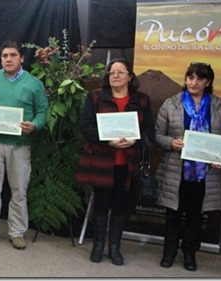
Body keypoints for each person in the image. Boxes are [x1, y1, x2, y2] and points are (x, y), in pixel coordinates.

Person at [75, 58, 155, 266]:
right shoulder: (95, 98)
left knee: (121, 207)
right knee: (101, 205)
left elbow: (149, 132)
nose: (116, 76)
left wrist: (135, 140)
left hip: (128, 164)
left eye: (120, 72)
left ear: (130, 76)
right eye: (111, 73)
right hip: (102, 162)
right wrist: (107, 139)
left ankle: (115, 248)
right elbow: (85, 126)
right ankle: (98, 246)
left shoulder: (142, 100)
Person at [155, 62, 221, 271]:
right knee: (173, 213)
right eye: (190, 78)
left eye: (199, 79)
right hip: (175, 170)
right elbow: (158, 135)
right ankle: (168, 253)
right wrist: (171, 142)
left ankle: (190, 254)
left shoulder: (220, 107)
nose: (194, 82)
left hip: (205, 173)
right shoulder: (171, 104)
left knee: (195, 215)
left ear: (208, 82)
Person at [0, 41, 48, 250]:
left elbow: (43, 112)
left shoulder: (34, 84)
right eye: (5, 55)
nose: (8, 59)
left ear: (21, 58)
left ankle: (16, 232)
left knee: (19, 190)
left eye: (13, 55)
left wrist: (35, 125)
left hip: (20, 145)